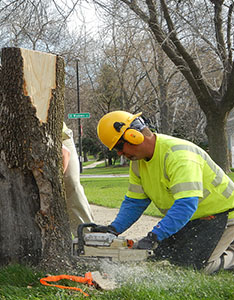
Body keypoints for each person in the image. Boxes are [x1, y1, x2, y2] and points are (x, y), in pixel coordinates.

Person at [94, 110, 234, 273]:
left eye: (119, 146)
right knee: (160, 258)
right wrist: (113, 229)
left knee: (197, 267)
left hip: (224, 215)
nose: (119, 153)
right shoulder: (138, 164)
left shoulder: (179, 156)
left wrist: (155, 236)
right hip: (192, 219)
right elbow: (135, 202)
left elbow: (186, 204)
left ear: (134, 136)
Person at [0, 123, 94, 248]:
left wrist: (50, 189)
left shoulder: (18, 135)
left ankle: (89, 240)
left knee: (69, 183)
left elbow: (64, 153)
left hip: (56, 138)